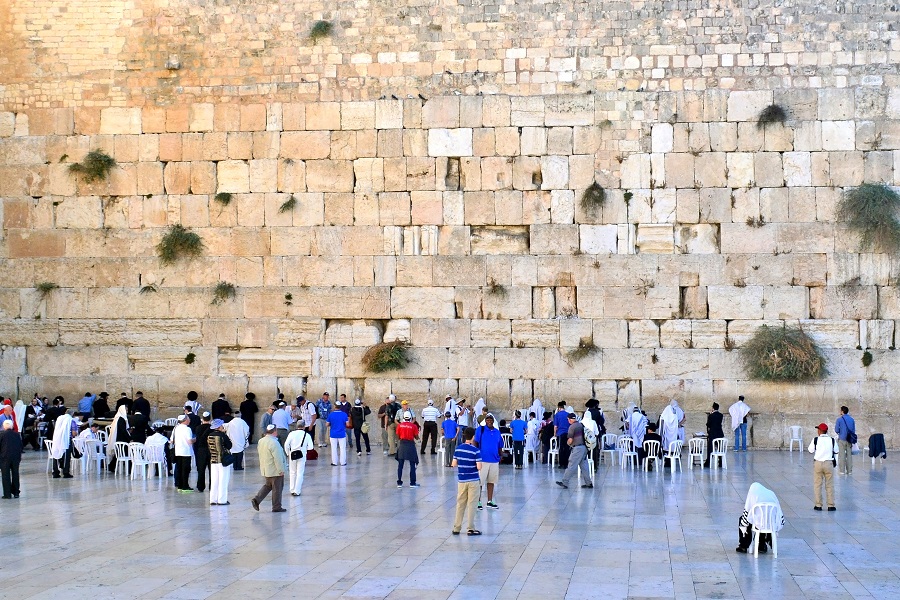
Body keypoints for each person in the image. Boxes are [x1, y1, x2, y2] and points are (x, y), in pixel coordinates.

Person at [736, 482, 784, 553]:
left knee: (744, 519)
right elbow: (779, 511)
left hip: (758, 522)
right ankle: (761, 545)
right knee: (764, 520)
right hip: (771, 522)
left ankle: (743, 545)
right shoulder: (771, 494)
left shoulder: (753, 494)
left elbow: (747, 510)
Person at [451, 427, 482, 535]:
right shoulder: (476, 450)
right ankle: (470, 528)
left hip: (462, 480)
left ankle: (457, 527)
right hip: (473, 480)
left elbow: (453, 464)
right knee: (472, 504)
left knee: (460, 504)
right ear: (473, 437)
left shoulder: (458, 449)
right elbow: (479, 467)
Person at [251, 424, 289, 513]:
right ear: (275, 431)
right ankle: (276, 507)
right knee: (277, 488)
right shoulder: (274, 442)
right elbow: (278, 458)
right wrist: (281, 470)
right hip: (275, 469)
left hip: (266, 468)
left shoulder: (261, 441)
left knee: (268, 486)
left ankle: (257, 499)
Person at [556, 413, 594, 489]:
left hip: (577, 449)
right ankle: (588, 483)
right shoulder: (581, 425)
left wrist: (567, 443)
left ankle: (565, 482)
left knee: (571, 465)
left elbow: (570, 440)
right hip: (584, 448)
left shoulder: (572, 427)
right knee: (584, 466)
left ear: (569, 419)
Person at [474, 413, 502, 509]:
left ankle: (489, 501)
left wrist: (500, 456)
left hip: (494, 460)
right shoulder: (480, 430)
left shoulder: (497, 432)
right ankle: (478, 501)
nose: (489, 421)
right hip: (483, 459)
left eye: (491, 420)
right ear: (485, 421)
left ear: (493, 421)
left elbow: (500, 445)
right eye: (488, 420)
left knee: (491, 481)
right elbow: (475, 442)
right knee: (480, 482)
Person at [809, 423, 837, 511]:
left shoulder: (816, 440)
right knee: (829, 485)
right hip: (828, 463)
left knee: (817, 484)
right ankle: (831, 505)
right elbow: (836, 450)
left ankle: (818, 504)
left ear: (820, 431)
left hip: (818, 463)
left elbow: (810, 450)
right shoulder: (832, 440)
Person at [208, 419, 233, 506]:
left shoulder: (209, 436)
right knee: (223, 480)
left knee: (214, 481)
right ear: (219, 427)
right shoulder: (222, 435)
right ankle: (222, 500)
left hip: (213, 460)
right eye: (222, 425)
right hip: (223, 461)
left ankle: (213, 499)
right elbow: (229, 446)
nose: (223, 427)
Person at [284, 425, 314, 496]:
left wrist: (288, 453)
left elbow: (286, 445)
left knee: (292, 472)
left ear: (296, 426)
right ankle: (297, 490)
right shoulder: (307, 435)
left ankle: (292, 489)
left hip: (292, 455)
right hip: (302, 455)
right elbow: (311, 447)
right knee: (300, 473)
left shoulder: (291, 433)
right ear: (304, 427)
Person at [395, 411, 420, 488]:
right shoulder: (413, 426)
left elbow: (397, 436)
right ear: (410, 418)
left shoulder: (399, 425)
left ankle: (399, 482)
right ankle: (412, 483)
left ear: (403, 418)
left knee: (400, 465)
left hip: (402, 445)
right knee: (413, 464)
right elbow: (416, 437)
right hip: (410, 445)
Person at [0, 420, 23, 499]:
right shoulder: (17, 435)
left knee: (5, 475)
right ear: (12, 426)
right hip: (16, 457)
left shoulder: (2, 435)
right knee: (15, 474)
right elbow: (20, 446)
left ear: (4, 426)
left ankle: (7, 494)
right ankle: (16, 492)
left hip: (5, 457)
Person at [172, 414, 195, 493]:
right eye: (188, 419)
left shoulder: (176, 428)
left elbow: (172, 440)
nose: (189, 420)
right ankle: (185, 486)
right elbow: (189, 441)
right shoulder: (187, 429)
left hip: (178, 451)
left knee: (180, 469)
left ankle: (180, 485)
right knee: (186, 469)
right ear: (185, 420)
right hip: (186, 451)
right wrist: (195, 439)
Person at [106, 405, 131, 473]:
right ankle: (129, 469)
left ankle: (111, 466)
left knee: (118, 454)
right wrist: (129, 439)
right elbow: (123, 430)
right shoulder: (121, 419)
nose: (127, 411)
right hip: (121, 439)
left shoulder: (118, 418)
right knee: (125, 453)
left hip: (119, 438)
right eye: (126, 410)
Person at [50, 413, 74, 478]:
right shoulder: (70, 420)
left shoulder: (59, 418)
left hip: (57, 438)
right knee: (66, 456)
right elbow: (74, 432)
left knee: (56, 455)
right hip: (65, 439)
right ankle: (66, 472)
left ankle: (55, 472)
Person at [834, 406, 856, 476]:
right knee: (849, 455)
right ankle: (849, 471)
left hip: (842, 438)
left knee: (842, 455)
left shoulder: (839, 420)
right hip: (849, 439)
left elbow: (836, 430)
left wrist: (841, 432)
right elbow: (853, 430)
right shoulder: (852, 419)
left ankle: (842, 471)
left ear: (842, 411)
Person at [195, 412, 213, 493]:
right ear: (210, 419)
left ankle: (200, 486)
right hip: (210, 450)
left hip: (201, 450)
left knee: (201, 469)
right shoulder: (212, 428)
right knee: (211, 469)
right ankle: (211, 486)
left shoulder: (198, 428)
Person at [705, 402, 725, 467]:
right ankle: (720, 461)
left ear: (713, 408)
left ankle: (708, 462)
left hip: (712, 434)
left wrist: (710, 415)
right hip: (719, 433)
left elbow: (708, 424)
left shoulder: (711, 416)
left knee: (710, 448)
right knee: (719, 448)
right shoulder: (721, 415)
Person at [553, 401, 571, 468]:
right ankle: (566, 463)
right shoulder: (568, 414)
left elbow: (555, 426)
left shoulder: (557, 415)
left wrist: (555, 434)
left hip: (560, 433)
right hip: (567, 433)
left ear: (559, 408)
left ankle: (561, 463)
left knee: (561, 448)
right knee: (567, 448)